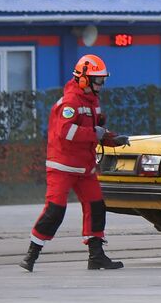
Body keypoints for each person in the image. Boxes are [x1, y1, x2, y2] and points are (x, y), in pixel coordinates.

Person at [20, 54, 130, 271]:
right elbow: (66, 132)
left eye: (103, 80)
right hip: (62, 167)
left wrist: (112, 138)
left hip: (85, 167)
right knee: (55, 211)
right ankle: (31, 254)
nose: (102, 84)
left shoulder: (93, 102)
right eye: (98, 80)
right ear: (84, 79)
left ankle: (96, 255)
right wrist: (95, 134)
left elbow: (95, 130)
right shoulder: (69, 103)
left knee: (96, 206)